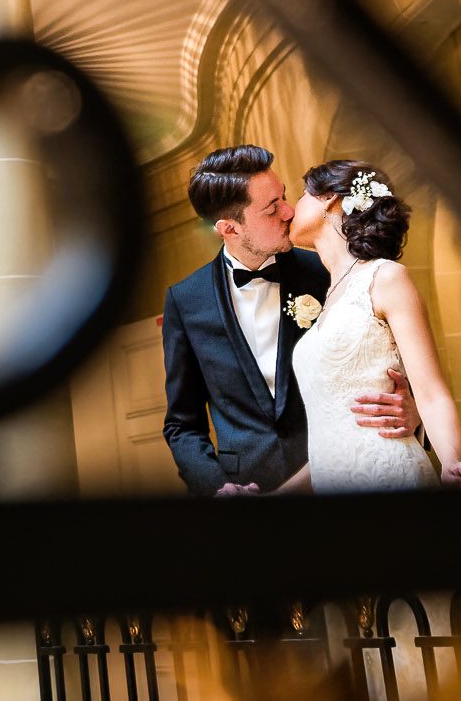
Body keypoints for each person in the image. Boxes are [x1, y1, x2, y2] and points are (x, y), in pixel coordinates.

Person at [162, 145, 419, 497]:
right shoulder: (185, 301)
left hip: (342, 474)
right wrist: (218, 487)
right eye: (272, 208)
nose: (289, 211)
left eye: (283, 196)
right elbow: (182, 424)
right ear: (230, 229)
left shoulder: (328, 273)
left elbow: (389, 360)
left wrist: (412, 410)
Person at [275, 159, 461, 492]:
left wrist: (452, 462)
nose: (290, 210)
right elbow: (329, 442)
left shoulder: (385, 277)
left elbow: (430, 392)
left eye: (300, 195)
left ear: (329, 199)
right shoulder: (329, 296)